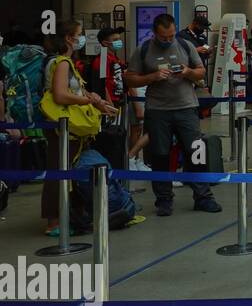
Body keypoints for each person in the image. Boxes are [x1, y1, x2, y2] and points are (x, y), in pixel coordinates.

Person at [123, 13, 220, 218]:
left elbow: (201, 71)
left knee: (196, 152)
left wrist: (187, 72)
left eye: (171, 36)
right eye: (164, 37)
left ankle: (203, 196)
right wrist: (152, 77)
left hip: (186, 108)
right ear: (154, 34)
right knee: (160, 155)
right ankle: (164, 200)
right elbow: (130, 79)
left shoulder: (185, 46)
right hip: (158, 111)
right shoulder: (143, 51)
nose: (168, 40)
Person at [41, 19, 119, 232]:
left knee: (69, 169)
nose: (82, 38)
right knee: (60, 169)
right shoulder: (62, 62)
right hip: (62, 127)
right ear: (69, 38)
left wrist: (96, 100)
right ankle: (54, 221)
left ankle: (71, 214)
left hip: (70, 128)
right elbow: (60, 94)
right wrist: (88, 101)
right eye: (79, 34)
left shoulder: (63, 62)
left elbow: (74, 90)